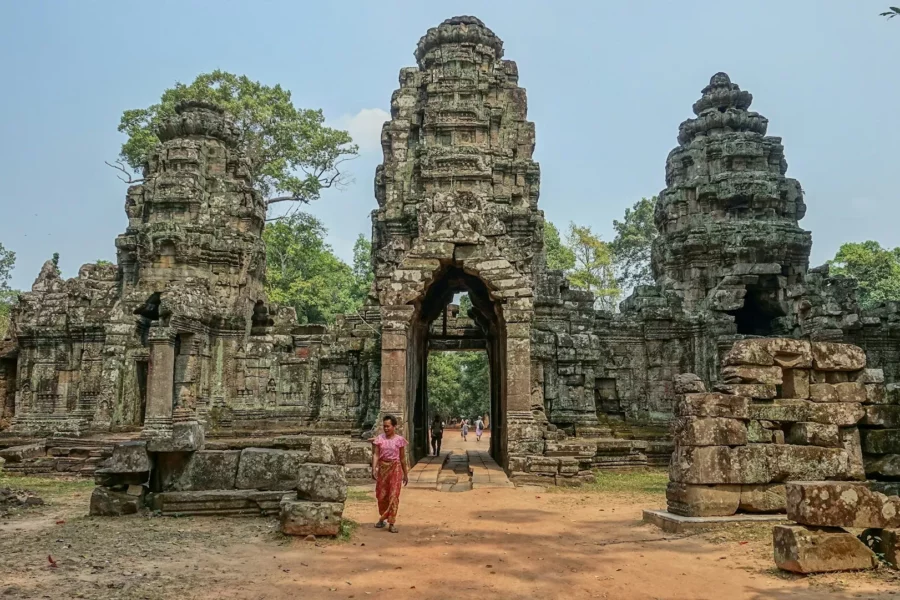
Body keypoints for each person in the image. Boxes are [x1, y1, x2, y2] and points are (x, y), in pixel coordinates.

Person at [371, 415, 409, 533]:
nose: (386, 428)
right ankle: (382, 518)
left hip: (395, 469)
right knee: (381, 495)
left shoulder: (399, 440)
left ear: (394, 426)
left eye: (388, 426)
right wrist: (374, 469)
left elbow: (402, 458)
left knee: (393, 495)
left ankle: (392, 522)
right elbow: (376, 455)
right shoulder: (379, 439)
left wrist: (405, 474)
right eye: (384, 426)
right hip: (383, 469)